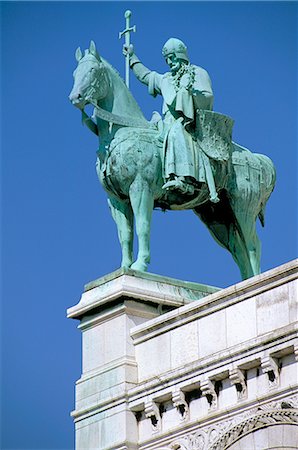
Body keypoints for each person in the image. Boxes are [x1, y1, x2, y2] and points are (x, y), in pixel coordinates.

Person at [124, 37, 220, 202]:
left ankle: (185, 180)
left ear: (181, 56)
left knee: (176, 132)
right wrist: (132, 58)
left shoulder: (197, 73)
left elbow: (207, 98)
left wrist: (189, 92)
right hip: (165, 122)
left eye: (172, 57)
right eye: (167, 59)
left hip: (189, 123)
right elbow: (146, 75)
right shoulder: (165, 79)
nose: (169, 61)